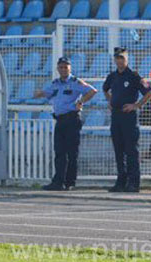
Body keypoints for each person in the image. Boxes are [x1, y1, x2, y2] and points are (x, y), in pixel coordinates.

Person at [34, 57, 97, 191]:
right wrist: (40, 93)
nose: (63, 69)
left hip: (72, 119)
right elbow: (47, 93)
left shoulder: (75, 82)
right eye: (61, 67)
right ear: (57, 68)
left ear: (70, 68)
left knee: (72, 152)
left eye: (65, 67)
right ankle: (58, 182)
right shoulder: (56, 83)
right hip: (60, 120)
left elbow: (92, 91)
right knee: (59, 152)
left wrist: (81, 102)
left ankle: (69, 182)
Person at [103, 47, 151, 192]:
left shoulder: (134, 76)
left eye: (122, 58)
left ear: (127, 59)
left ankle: (133, 183)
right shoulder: (112, 76)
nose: (120, 61)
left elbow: (150, 91)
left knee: (131, 151)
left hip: (129, 117)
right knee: (118, 150)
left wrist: (136, 105)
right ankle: (121, 182)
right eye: (117, 58)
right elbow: (105, 89)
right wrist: (110, 101)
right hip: (116, 116)